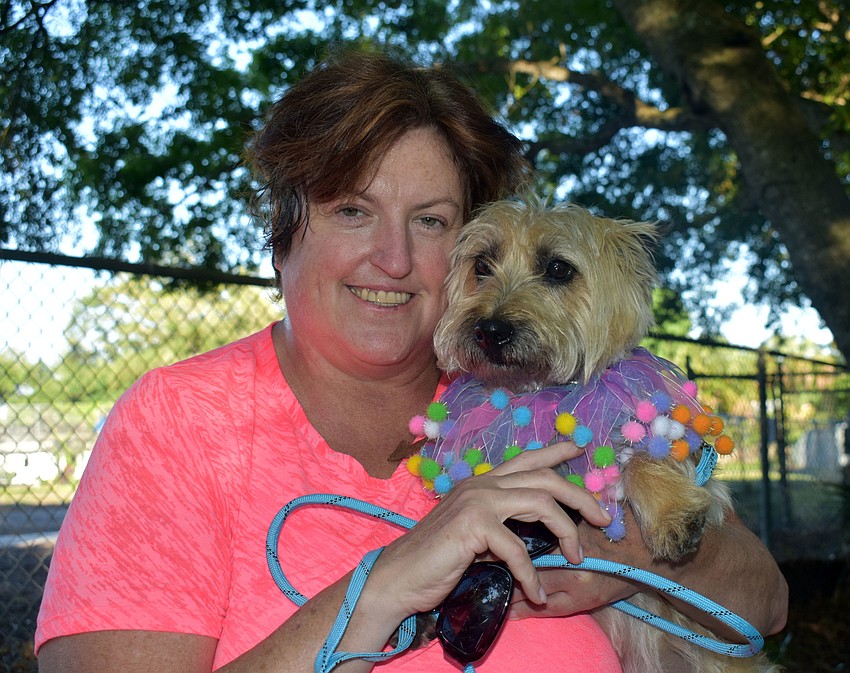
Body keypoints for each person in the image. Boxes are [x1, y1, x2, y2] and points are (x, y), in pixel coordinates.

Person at [36, 49, 787, 673]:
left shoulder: (551, 404)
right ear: (282, 232)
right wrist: (386, 582)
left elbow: (766, 607)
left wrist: (625, 550)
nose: (393, 258)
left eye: (430, 221)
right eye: (352, 210)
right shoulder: (179, 423)